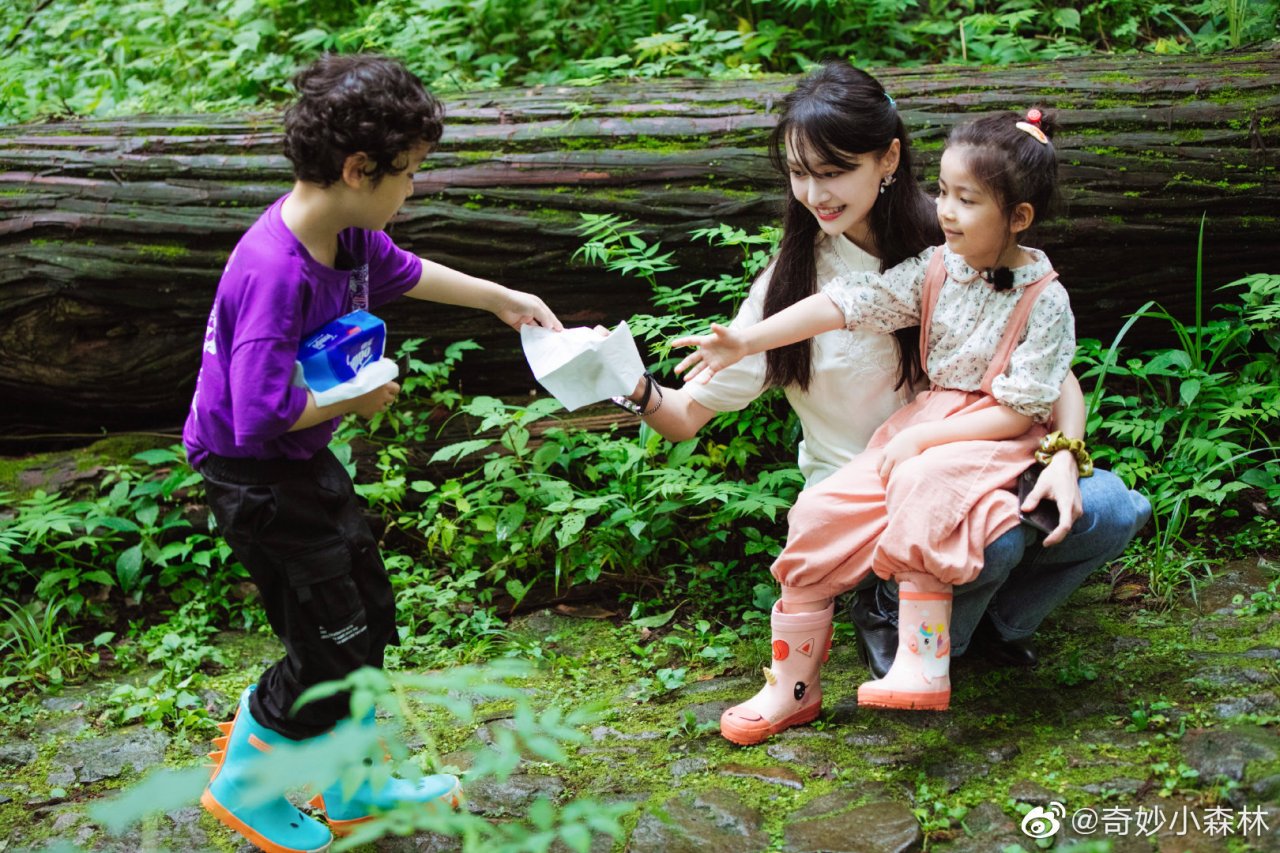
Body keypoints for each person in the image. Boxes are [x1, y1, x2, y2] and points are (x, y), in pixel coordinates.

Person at [613, 61, 1148, 745]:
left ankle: (979, 630)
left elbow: (1045, 367)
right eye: (798, 173)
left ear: (889, 157)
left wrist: (1065, 456)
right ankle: (855, 643)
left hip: (968, 466)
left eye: (832, 170)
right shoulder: (799, 284)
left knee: (1109, 508)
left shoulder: (955, 235)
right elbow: (690, 412)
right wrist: (641, 385)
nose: (814, 193)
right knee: (980, 536)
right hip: (868, 499)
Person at [182, 54, 562, 852]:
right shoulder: (276, 272)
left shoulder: (347, 235)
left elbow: (407, 271)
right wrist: (351, 399)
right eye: (410, 174)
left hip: (301, 467)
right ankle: (244, 785)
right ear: (359, 169)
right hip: (257, 479)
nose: (412, 188)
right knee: (328, 643)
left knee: (365, 614)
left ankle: (354, 782)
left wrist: (503, 298)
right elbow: (256, 415)